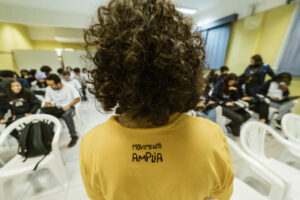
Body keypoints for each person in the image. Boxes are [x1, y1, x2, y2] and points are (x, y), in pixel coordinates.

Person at [80, 1, 234, 200]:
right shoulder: (210, 136)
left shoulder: (92, 144)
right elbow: (220, 196)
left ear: (108, 73)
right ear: (186, 71)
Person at [42, 74, 80, 147]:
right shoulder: (48, 89)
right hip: (58, 108)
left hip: (70, 106)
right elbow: (47, 102)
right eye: (49, 85)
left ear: (59, 83)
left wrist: (68, 105)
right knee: (45, 116)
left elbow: (77, 99)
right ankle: (49, 140)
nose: (50, 86)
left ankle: (74, 136)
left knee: (66, 115)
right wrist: (53, 106)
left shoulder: (69, 87)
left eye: (52, 85)